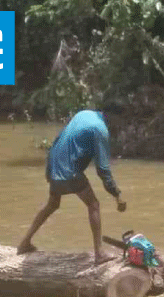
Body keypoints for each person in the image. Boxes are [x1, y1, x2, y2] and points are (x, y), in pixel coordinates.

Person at [17, 109, 127, 264]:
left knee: (52, 204)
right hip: (69, 170)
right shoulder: (100, 130)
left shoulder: (84, 114)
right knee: (93, 204)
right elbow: (102, 168)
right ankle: (99, 254)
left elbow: (60, 139)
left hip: (55, 163)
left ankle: (24, 243)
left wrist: (50, 169)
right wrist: (116, 194)